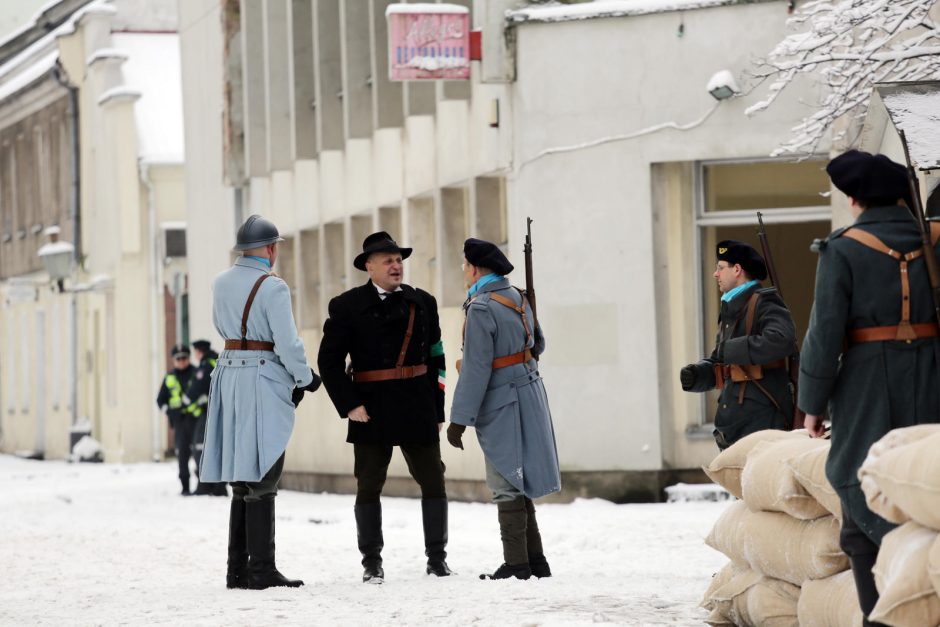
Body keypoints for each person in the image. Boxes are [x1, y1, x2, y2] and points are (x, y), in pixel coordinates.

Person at [799, 150, 940, 624]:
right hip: (935, 371)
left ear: (854, 199)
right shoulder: (935, 239)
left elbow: (824, 333)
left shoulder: (842, 248)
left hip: (865, 384)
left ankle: (882, 611)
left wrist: (811, 404)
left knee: (857, 477)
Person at [317, 231, 451, 583]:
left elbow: (437, 356)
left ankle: (437, 558)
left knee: (433, 480)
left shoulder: (423, 301)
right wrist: (349, 405)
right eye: (388, 260)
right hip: (370, 407)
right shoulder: (346, 306)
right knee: (369, 484)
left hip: (417, 404)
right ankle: (371, 561)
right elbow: (329, 361)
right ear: (369, 266)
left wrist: (437, 409)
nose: (396, 265)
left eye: (399, 259)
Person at [199, 214, 321, 590]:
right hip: (261, 377)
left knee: (241, 478)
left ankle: (237, 569)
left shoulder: (220, 282)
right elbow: (287, 342)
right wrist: (306, 377)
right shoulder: (273, 286)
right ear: (269, 249)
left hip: (228, 376)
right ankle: (262, 569)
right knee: (264, 474)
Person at [447, 238, 561, 581]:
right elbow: (537, 344)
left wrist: (458, 420)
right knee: (519, 476)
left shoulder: (482, 307)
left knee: (504, 478)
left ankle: (516, 564)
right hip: (529, 391)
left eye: (465, 266)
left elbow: (476, 369)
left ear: (476, 269)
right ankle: (535, 561)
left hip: (501, 400)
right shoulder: (518, 298)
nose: (464, 271)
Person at [679, 240, 797, 450]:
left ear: (737, 269)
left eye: (720, 268)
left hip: (761, 422)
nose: (715, 274)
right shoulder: (731, 308)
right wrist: (698, 375)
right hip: (734, 422)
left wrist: (733, 349)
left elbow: (782, 340)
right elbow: (722, 362)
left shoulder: (764, 302)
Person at [185, 339, 226, 496]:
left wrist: (185, 402)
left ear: (198, 351)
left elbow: (197, 387)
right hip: (218, 411)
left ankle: (207, 485)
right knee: (216, 447)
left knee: (200, 446)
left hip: (209, 413)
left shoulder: (205, 366)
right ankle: (217, 487)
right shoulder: (216, 361)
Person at [156, 344, 198, 495]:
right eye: (178, 359)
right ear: (174, 360)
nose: (181, 361)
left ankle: (203, 485)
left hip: (195, 420)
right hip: (179, 422)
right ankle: (185, 486)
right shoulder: (169, 378)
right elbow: (160, 401)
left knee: (200, 452)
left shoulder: (196, 373)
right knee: (183, 454)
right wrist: (170, 412)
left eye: (184, 358)